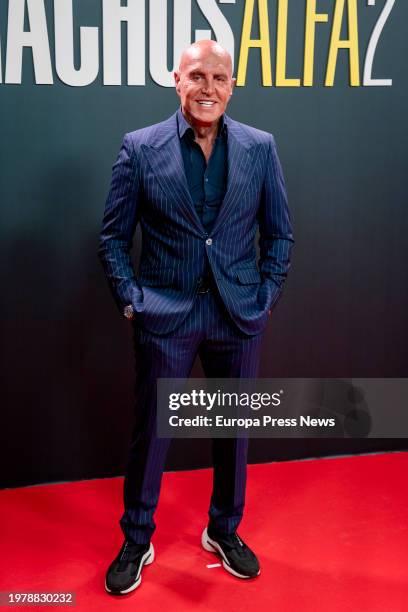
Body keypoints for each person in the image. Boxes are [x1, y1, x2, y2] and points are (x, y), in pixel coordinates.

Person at [98, 39, 294, 595]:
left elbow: (280, 233)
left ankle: (224, 529)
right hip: (166, 315)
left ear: (233, 86)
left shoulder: (260, 147)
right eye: (197, 76)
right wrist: (132, 301)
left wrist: (265, 296)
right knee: (152, 431)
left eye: (220, 78)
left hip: (237, 315)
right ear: (175, 79)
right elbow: (113, 237)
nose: (209, 88)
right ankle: (137, 537)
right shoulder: (140, 147)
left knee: (233, 431)